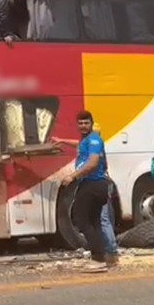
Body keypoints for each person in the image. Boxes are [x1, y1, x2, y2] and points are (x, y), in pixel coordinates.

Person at [52, 110, 111, 272]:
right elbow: (79, 145)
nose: (83, 126)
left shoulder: (94, 140)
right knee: (94, 222)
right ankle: (99, 258)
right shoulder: (86, 140)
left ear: (92, 124)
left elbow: (92, 163)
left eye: (86, 123)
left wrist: (72, 176)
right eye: (80, 123)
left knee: (81, 219)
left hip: (93, 184)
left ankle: (98, 258)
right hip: (92, 184)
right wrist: (62, 141)